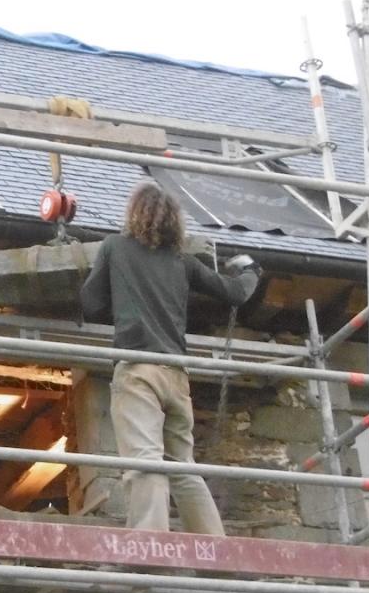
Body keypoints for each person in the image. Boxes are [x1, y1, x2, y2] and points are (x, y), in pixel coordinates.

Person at [79, 181, 261, 535]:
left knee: (144, 460)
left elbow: (91, 302)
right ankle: (214, 547)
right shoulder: (184, 263)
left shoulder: (115, 247)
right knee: (183, 467)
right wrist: (251, 268)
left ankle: (150, 543)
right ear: (174, 223)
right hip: (176, 376)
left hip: (138, 371)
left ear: (134, 215)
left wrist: (119, 297)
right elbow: (236, 293)